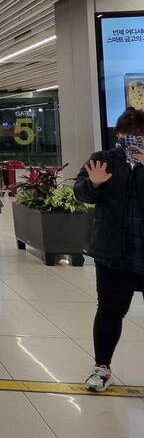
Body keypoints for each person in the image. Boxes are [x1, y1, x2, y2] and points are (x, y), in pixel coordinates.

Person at [75, 107, 144, 392]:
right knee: (109, 311)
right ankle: (101, 367)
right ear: (118, 135)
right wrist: (94, 183)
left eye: (140, 136)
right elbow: (80, 191)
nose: (134, 141)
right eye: (129, 135)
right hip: (113, 251)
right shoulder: (103, 160)